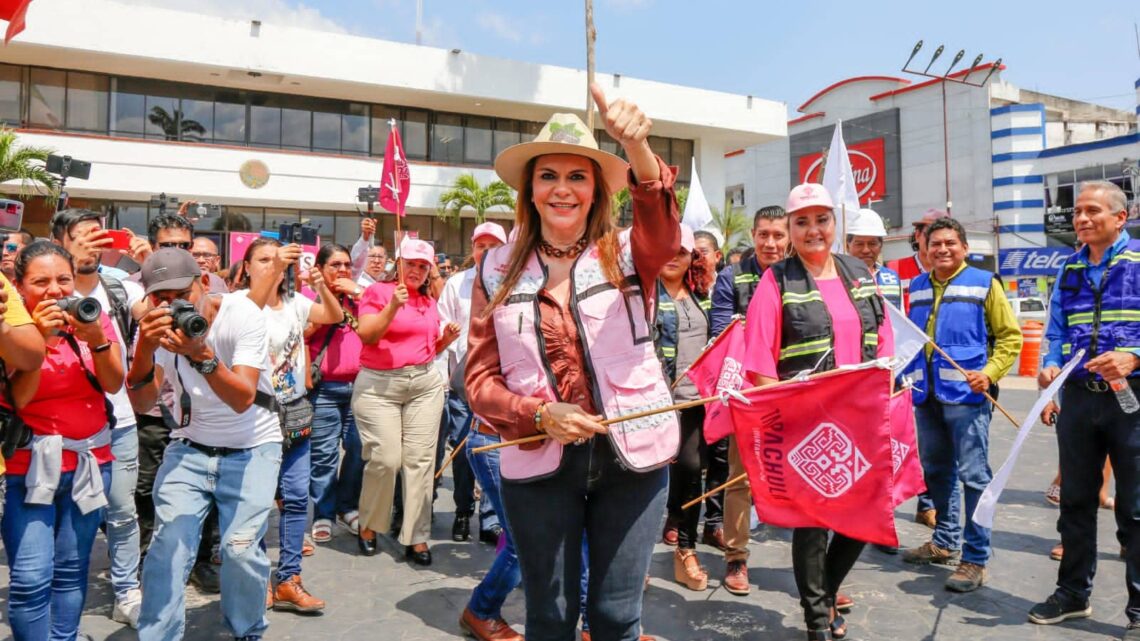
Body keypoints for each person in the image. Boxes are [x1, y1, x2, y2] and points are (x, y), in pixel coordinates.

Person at [466, 85, 680, 641]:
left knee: (614, 617)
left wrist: (637, 147)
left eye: (577, 176)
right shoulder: (494, 268)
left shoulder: (633, 252)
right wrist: (537, 414)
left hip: (631, 459)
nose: (562, 189)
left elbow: (661, 221)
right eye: (549, 177)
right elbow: (479, 381)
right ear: (530, 192)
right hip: (538, 465)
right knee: (552, 617)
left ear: (595, 192)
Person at [742, 183, 893, 641]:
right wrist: (780, 414)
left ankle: (825, 595)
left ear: (835, 223)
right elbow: (759, 359)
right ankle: (816, 622)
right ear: (789, 229)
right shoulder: (776, 280)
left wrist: (884, 384)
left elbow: (882, 334)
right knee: (812, 524)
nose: (813, 230)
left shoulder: (857, 270)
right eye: (801, 222)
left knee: (864, 513)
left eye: (821, 220)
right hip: (806, 423)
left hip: (861, 418)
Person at [127, 248, 282, 641]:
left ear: (203, 283)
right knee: (166, 548)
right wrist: (144, 347)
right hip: (190, 445)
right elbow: (143, 403)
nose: (173, 305)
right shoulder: (154, 328)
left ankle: (247, 631)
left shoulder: (242, 313)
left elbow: (242, 397)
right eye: (160, 297)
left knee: (240, 549)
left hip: (253, 446)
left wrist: (201, 355)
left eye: (181, 292)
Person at [1028, 180, 1140, 640]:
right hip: (1078, 398)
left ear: (1121, 217)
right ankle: (1073, 594)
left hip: (1130, 399)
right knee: (1075, 500)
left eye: (1093, 210)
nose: (1081, 219)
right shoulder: (1069, 268)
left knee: (1134, 508)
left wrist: (1135, 356)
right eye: (1077, 212)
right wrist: (1049, 364)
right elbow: (1055, 329)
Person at [4, 241, 123, 640]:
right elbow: (18, 397)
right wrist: (43, 338)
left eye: (63, 279)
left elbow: (113, 382)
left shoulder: (93, 316)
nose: (55, 290)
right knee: (30, 577)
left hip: (90, 462)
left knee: (72, 570)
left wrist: (96, 338)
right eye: (41, 281)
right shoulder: (17, 331)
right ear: (19, 286)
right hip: (30, 467)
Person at [900, 216, 1022, 593]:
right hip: (927, 397)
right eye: (935, 244)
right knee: (937, 471)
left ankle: (975, 558)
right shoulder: (917, 287)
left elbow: (1009, 337)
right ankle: (945, 542)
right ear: (925, 249)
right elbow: (910, 340)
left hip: (968, 399)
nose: (942, 249)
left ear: (965, 248)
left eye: (950, 243)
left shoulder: (985, 284)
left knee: (974, 477)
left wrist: (990, 372)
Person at [48, 207, 150, 627]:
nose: (93, 245)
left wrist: (152, 265)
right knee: (55, 514)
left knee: (122, 510)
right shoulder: (45, 290)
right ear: (60, 243)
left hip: (118, 421)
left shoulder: (122, 287)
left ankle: (126, 590)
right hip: (55, 426)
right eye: (81, 238)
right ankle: (55, 593)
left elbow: (165, 309)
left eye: (98, 236)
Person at [238, 237, 343, 612]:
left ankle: (288, 579)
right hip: (255, 416)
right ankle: (253, 581)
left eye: (279, 260)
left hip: (295, 413)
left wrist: (318, 286)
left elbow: (332, 317)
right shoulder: (241, 306)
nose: (273, 266)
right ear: (246, 267)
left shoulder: (297, 304)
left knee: (297, 498)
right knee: (255, 503)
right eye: (264, 260)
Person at [128, 212, 224, 594]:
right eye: (170, 245)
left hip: (201, 407)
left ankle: (201, 560)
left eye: (186, 246)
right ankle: (152, 560)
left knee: (207, 486)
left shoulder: (212, 285)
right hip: (154, 407)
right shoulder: (133, 287)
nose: (181, 252)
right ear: (153, 246)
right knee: (149, 487)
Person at [352, 237, 460, 563]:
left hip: (424, 383)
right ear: (397, 264)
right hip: (378, 386)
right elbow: (368, 334)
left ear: (429, 271)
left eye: (422, 266)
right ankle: (370, 523)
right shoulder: (379, 293)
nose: (416, 270)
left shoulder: (428, 302)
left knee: (421, 462)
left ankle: (417, 536)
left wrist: (445, 341)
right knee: (386, 460)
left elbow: (424, 351)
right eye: (410, 263)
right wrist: (393, 307)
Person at [706, 204, 790, 597]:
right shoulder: (731, 277)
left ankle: (817, 572)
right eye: (763, 235)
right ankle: (736, 557)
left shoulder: (803, 274)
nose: (770, 243)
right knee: (739, 477)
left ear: (788, 237)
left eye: (778, 235)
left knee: (803, 479)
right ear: (753, 235)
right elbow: (723, 330)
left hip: (797, 392)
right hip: (748, 394)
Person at [452, 221, 526, 641]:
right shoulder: (497, 310)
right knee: (518, 542)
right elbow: (472, 382)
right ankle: (481, 610)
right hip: (496, 440)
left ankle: (592, 622)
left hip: (538, 444)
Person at [439, 222, 507, 546]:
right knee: (465, 450)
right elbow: (442, 327)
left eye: (494, 246)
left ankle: (491, 520)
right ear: (472, 248)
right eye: (482, 245)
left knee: (495, 452)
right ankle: (463, 509)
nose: (486, 252)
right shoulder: (455, 284)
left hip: (499, 386)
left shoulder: (513, 282)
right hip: (463, 384)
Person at [657, 223, 712, 591]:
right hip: (652, 407)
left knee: (692, 471)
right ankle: (634, 559)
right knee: (647, 483)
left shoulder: (704, 294)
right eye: (669, 248)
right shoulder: (642, 294)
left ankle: (686, 548)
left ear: (693, 256)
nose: (674, 257)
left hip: (695, 403)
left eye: (683, 251)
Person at [887, 207, 948, 529]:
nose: (927, 235)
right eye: (923, 229)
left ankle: (929, 504)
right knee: (905, 439)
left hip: (938, 369)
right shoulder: (895, 270)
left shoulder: (949, 269)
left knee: (934, 444)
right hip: (902, 363)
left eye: (933, 229)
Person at [305, 243, 367, 544]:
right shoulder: (308, 299)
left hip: (362, 387)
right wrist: (326, 298)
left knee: (359, 450)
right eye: (335, 265)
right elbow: (302, 333)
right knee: (325, 456)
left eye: (346, 265)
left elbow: (380, 326)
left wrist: (357, 294)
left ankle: (347, 506)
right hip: (325, 390)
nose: (342, 270)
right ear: (320, 269)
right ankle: (324, 513)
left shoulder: (359, 298)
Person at [846, 208, 902, 309]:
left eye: (872, 244)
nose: (866, 250)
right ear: (847, 245)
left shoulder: (892, 278)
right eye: (859, 244)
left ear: (880, 246)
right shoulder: (841, 277)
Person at [351, 217, 388, 287]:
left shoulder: (391, 281)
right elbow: (355, 262)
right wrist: (365, 237)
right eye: (372, 256)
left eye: (380, 257)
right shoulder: (356, 280)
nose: (376, 261)